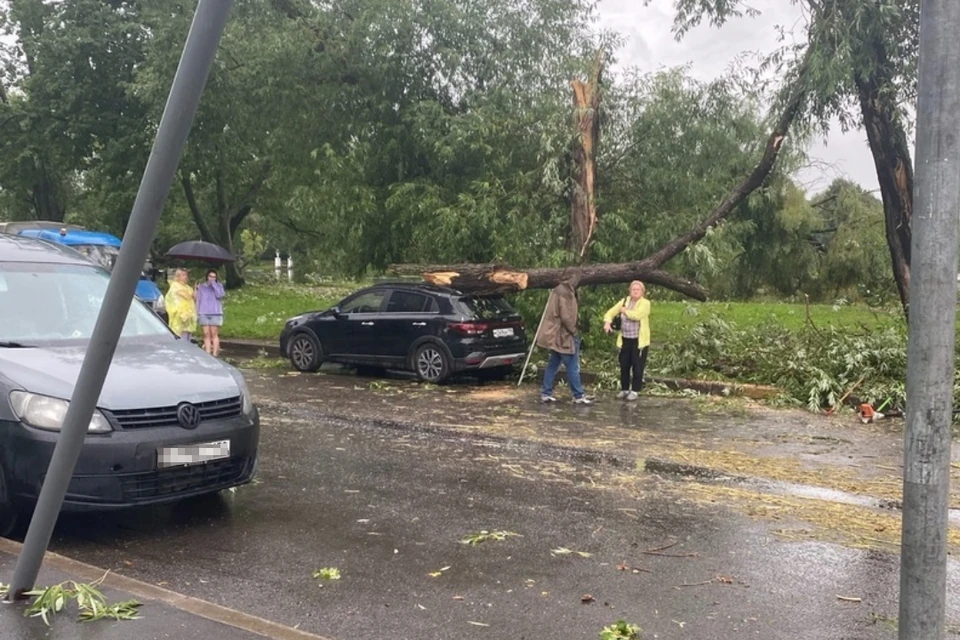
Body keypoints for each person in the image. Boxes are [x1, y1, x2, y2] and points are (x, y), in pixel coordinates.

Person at [537, 267, 592, 405]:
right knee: (572, 365)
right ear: (573, 277)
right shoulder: (565, 292)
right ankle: (578, 395)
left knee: (553, 364)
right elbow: (566, 316)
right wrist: (573, 330)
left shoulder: (557, 289)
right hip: (564, 335)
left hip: (554, 334)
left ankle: (546, 392)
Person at [603, 280, 651, 401]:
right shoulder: (625, 301)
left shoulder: (645, 303)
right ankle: (624, 389)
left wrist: (625, 311)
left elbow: (637, 315)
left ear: (642, 292)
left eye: (638, 289)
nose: (635, 291)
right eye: (633, 289)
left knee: (637, 366)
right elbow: (611, 312)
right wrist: (607, 322)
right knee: (624, 365)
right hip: (625, 339)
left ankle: (635, 390)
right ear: (629, 291)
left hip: (638, 341)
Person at [196, 269, 226, 356]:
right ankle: (208, 352)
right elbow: (198, 299)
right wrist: (197, 312)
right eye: (210, 276)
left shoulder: (219, 286)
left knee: (214, 333)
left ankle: (215, 353)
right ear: (207, 277)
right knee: (206, 333)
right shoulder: (202, 287)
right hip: (203, 312)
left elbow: (220, 295)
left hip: (215, 313)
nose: (212, 278)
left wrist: (214, 285)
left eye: (214, 277)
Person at [165, 268, 197, 342]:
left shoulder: (188, 287)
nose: (185, 277)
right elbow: (185, 296)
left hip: (189, 315)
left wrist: (195, 290)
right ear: (178, 276)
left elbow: (193, 298)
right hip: (179, 316)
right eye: (183, 275)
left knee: (187, 334)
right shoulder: (175, 286)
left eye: (186, 275)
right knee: (179, 336)